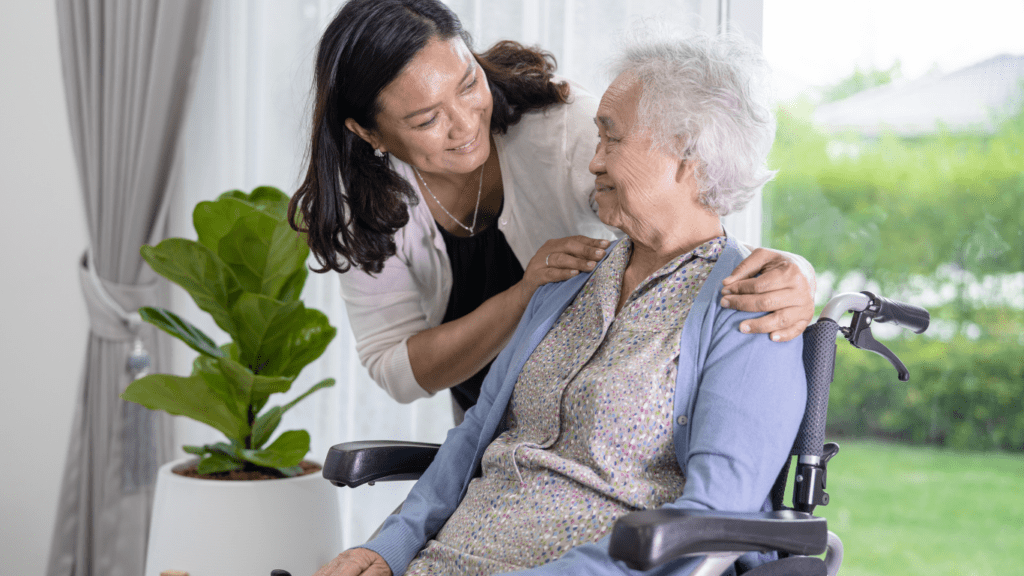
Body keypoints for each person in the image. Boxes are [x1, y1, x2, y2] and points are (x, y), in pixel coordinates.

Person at [312, 30, 806, 576]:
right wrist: (387, 548)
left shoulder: (749, 307)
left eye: (611, 140)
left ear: (688, 155)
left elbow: (715, 516)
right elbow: (475, 435)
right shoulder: (567, 280)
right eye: (597, 138)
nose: (593, 162)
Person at [288, 0, 815, 420]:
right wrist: (523, 298)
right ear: (368, 132)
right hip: (495, 432)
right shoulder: (365, 204)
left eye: (469, 84)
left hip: (602, 417)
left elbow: (694, 217)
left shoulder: (570, 132)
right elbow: (397, 369)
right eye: (427, 119)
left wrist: (794, 275)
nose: (465, 122)